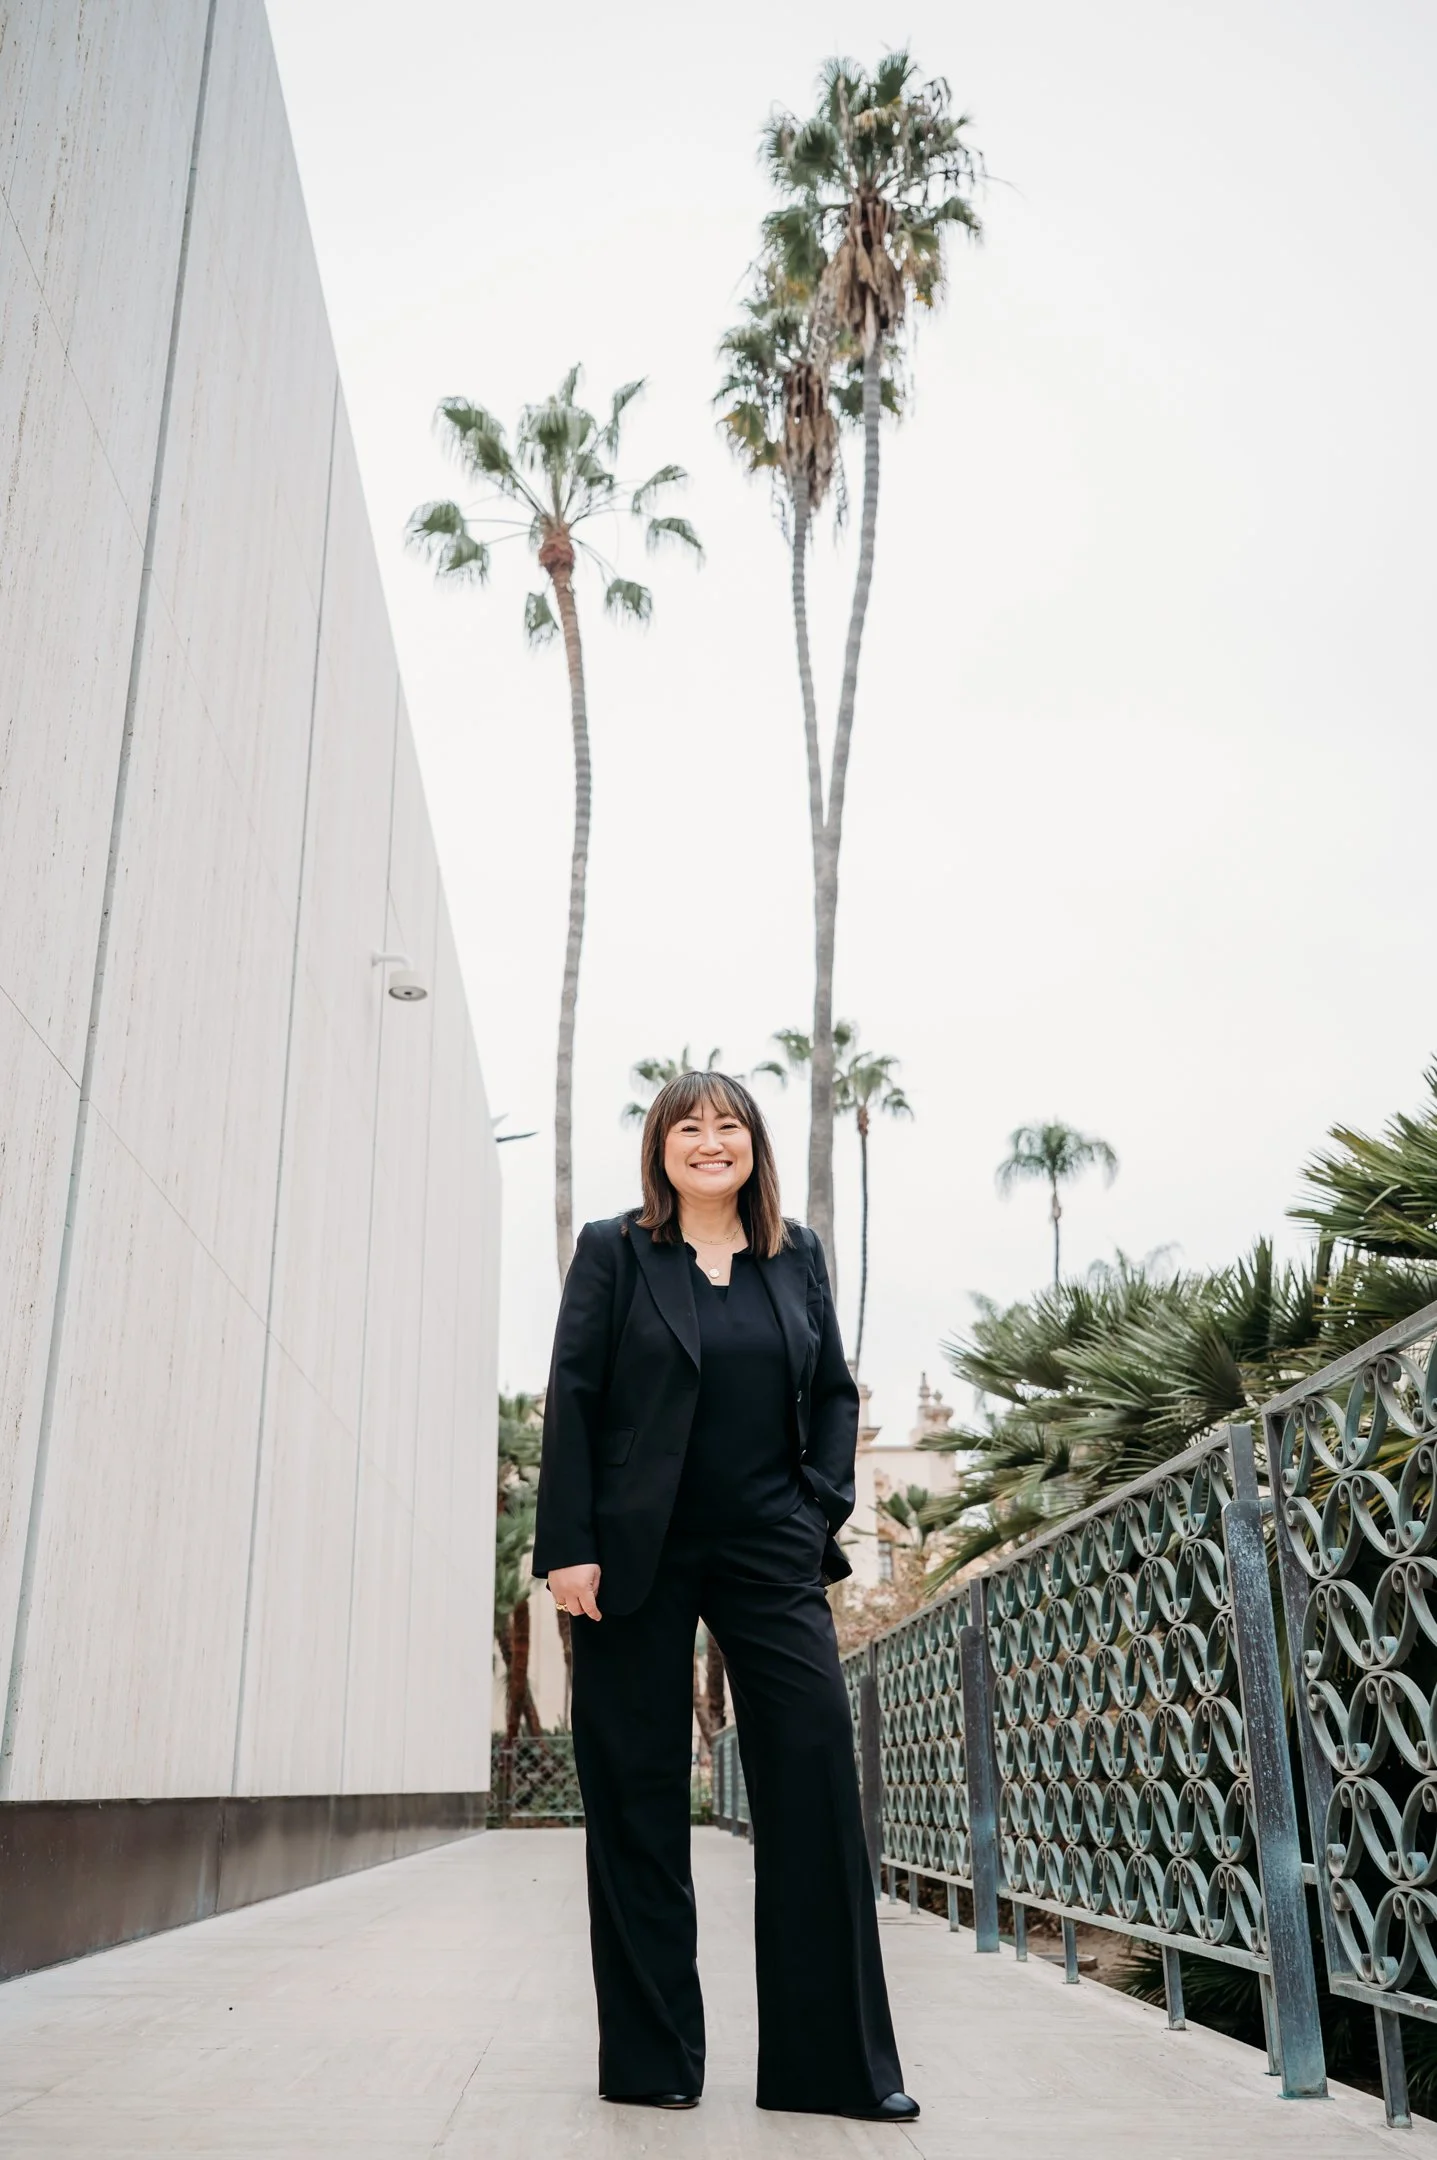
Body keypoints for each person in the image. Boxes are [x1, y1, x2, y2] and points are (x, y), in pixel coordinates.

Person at [533, 1069, 918, 2123]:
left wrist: (813, 1514)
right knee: (635, 1794)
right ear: (661, 1147)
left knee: (810, 1781)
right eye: (689, 1126)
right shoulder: (617, 1251)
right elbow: (573, 1390)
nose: (712, 1140)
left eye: (730, 1125)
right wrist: (567, 1544)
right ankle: (653, 2057)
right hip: (627, 1556)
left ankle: (834, 2069)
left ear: (755, 1146)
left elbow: (833, 1395)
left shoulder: (798, 1260)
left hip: (768, 1548)